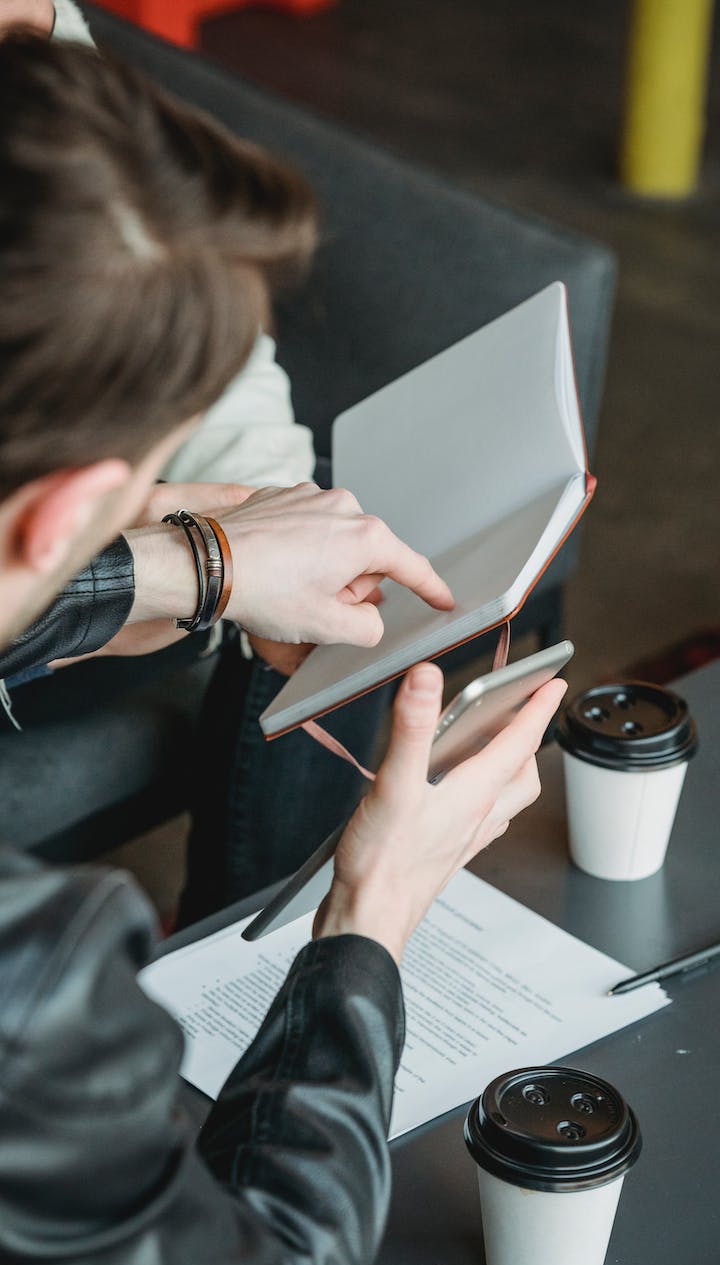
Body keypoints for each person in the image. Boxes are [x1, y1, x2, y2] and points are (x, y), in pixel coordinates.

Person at [0, 34, 566, 1265]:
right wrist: (371, 916)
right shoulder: (29, 979)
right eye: (147, 481)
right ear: (63, 509)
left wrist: (185, 560)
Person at [0, 0, 394, 917]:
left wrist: (246, 525)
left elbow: (166, 302)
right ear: (65, 510)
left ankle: (246, 948)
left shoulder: (36, 26)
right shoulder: (52, 971)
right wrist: (367, 919)